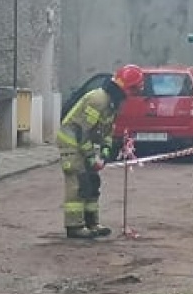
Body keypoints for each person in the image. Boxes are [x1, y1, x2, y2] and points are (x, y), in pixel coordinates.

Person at [57, 64, 145, 240]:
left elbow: (107, 132)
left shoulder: (112, 103)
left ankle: (92, 223)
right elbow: (82, 132)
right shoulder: (98, 100)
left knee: (92, 182)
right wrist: (91, 157)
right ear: (127, 87)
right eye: (133, 90)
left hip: (83, 143)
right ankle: (75, 226)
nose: (132, 95)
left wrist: (105, 154)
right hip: (72, 143)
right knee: (79, 183)